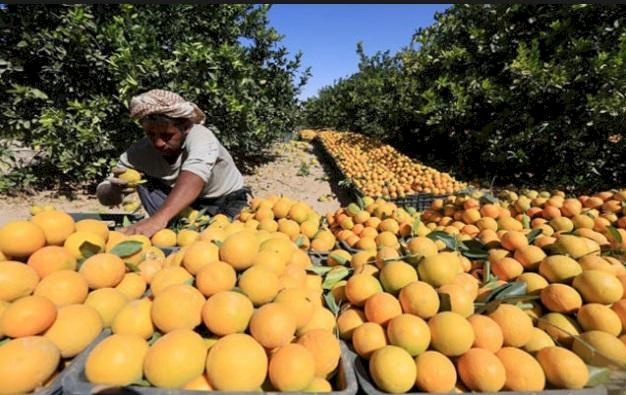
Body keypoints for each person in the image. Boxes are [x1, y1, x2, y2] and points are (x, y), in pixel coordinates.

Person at [96, 89, 250, 237]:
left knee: (228, 239)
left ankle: (167, 221)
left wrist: (157, 220)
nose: (158, 143)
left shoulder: (201, 136)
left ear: (186, 127)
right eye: (150, 134)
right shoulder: (140, 151)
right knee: (145, 182)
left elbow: (194, 175)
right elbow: (105, 194)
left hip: (226, 200)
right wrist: (113, 190)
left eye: (167, 135)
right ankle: (172, 225)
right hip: (183, 206)